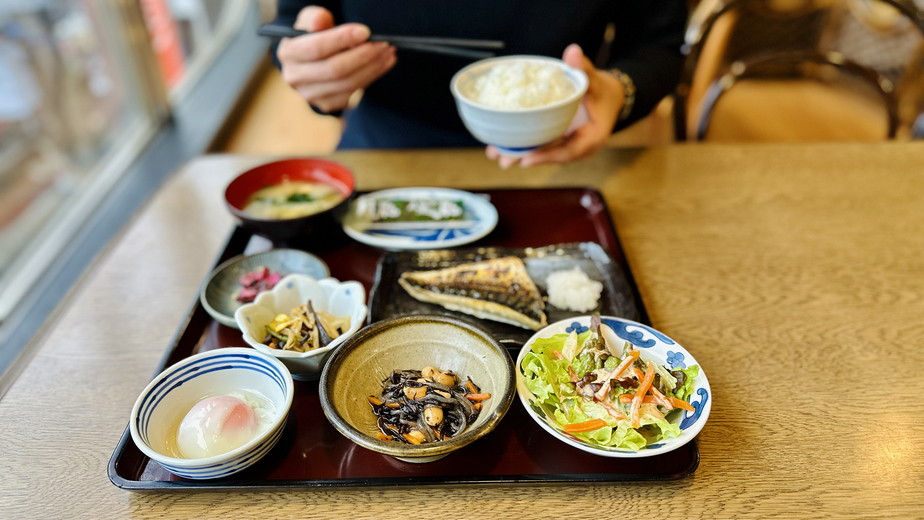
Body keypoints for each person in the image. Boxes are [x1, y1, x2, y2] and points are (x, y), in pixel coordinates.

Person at [272, 1, 688, 167]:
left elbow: (660, 44)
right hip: (386, 144)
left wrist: (619, 91)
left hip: (555, 149)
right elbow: (290, 21)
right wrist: (313, 65)